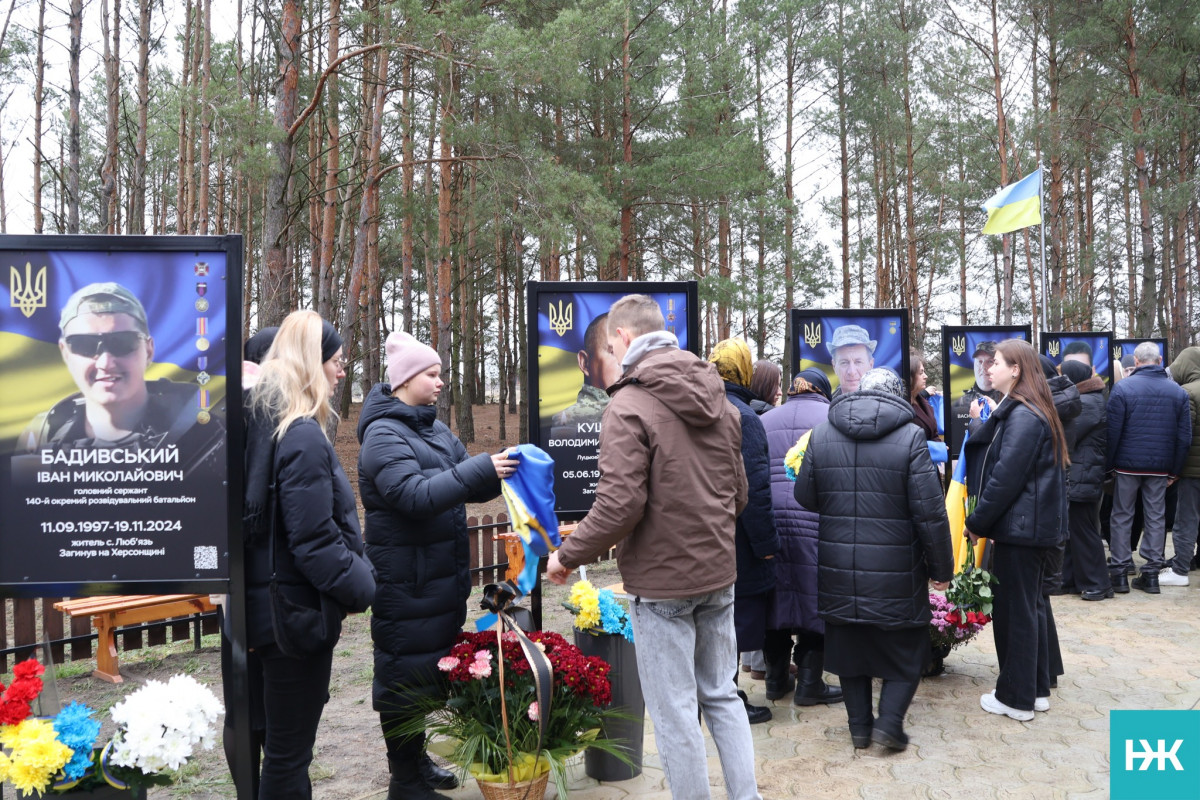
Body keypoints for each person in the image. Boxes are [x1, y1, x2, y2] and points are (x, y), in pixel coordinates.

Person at [545, 294, 761, 800]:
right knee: (722, 695)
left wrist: (566, 556)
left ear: (623, 338)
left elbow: (619, 507)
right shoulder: (718, 396)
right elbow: (739, 494)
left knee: (675, 711)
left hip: (662, 586)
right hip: (719, 574)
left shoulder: (627, 405)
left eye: (610, 345)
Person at [357, 331, 518, 800]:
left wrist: (503, 470)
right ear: (405, 380)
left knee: (426, 673)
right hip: (406, 583)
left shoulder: (435, 429)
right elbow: (414, 495)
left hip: (436, 582)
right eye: (432, 374)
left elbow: (466, 482)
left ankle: (417, 763)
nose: (441, 382)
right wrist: (480, 468)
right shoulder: (383, 435)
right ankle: (404, 781)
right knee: (402, 680)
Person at [235, 310, 377, 799]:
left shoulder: (262, 425)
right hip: (292, 621)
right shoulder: (301, 434)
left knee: (275, 751)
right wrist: (364, 586)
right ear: (313, 362)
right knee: (288, 756)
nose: (341, 371)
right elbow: (315, 542)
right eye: (336, 361)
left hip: (263, 614)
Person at [794, 367, 953, 751]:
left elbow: (805, 496)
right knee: (906, 653)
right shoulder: (910, 437)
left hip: (839, 572)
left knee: (850, 654)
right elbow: (930, 514)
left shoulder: (822, 433)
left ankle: (860, 730)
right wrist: (942, 569)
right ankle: (890, 724)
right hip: (896, 574)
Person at [963, 339, 1069, 722]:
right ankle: (1034, 691)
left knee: (1015, 614)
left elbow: (1005, 479)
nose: (988, 369)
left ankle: (1015, 698)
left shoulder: (1024, 415)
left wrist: (977, 522)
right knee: (1027, 609)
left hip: (1021, 531)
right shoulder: (1026, 410)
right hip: (1028, 529)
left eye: (996, 363)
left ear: (1016, 370)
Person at [19, 281, 221, 460]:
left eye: (122, 342)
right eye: (84, 344)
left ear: (148, 350)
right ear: (66, 353)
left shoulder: (204, 433)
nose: (105, 362)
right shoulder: (41, 436)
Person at [760, 368, 844, 709]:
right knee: (815, 600)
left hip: (771, 524)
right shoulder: (833, 420)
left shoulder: (765, 420)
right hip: (816, 523)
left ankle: (775, 680)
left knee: (775, 600)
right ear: (824, 391)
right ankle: (810, 684)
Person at [709, 339, 780, 724]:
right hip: (736, 536)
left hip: (701, 532)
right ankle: (728, 699)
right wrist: (766, 544)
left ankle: (715, 694)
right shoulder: (744, 417)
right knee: (734, 622)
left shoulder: (697, 407)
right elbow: (755, 488)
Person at [1106, 341, 1190, 594]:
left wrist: (1109, 466)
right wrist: (1175, 470)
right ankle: (1152, 573)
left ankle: (1120, 572)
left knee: (1122, 515)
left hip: (1126, 464)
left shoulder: (1122, 388)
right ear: (1160, 360)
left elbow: (1112, 432)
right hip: (1160, 466)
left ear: (1136, 362)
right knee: (1156, 516)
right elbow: (1183, 438)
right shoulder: (1178, 392)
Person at [741, 358, 783, 680]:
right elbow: (756, 485)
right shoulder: (757, 418)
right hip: (754, 524)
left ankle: (750, 661)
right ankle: (758, 664)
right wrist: (767, 543)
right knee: (754, 597)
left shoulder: (741, 411)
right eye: (777, 384)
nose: (780, 391)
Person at [1059, 359, 1114, 600]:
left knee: (1084, 531)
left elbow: (1066, 435)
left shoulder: (1087, 403)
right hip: (1081, 474)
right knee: (1073, 530)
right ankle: (1070, 580)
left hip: (1083, 476)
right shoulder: (1087, 399)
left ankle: (1098, 583)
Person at [549, 311, 622, 436]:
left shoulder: (644, 410)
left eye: (633, 353)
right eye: (614, 352)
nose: (626, 362)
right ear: (585, 363)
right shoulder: (567, 421)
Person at [1166, 346, 1200, 585]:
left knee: (1186, 519)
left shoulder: (1187, 393)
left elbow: (1184, 437)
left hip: (1193, 471)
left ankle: (1180, 570)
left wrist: (1175, 469)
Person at [951, 341, 1002, 417]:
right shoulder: (961, 402)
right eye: (980, 361)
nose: (983, 367)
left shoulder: (1008, 400)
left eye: (990, 361)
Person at [828, 324, 875, 395]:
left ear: (871, 365)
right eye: (844, 363)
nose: (852, 372)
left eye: (858, 362)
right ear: (834, 366)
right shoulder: (826, 402)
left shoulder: (886, 401)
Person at [909, 349, 940, 441]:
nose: (926, 376)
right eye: (921, 373)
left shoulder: (922, 401)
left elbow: (934, 433)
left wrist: (939, 446)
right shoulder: (902, 407)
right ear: (910, 376)